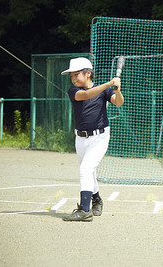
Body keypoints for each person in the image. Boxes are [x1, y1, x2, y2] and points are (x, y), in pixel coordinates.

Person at [60, 57, 124, 222]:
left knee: (86, 170)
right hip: (80, 138)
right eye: (71, 76)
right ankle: (97, 200)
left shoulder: (104, 91)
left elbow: (119, 102)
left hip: (100, 137)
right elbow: (88, 94)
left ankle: (85, 210)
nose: (73, 79)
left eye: (76, 75)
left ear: (88, 73)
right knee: (89, 171)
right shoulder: (74, 91)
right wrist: (109, 84)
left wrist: (116, 90)